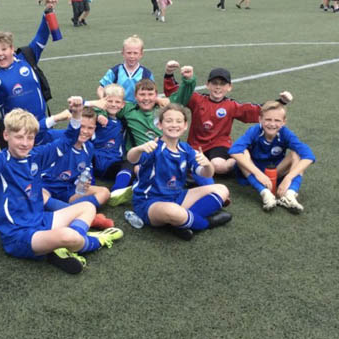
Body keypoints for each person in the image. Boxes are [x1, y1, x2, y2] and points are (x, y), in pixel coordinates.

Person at [0, 98, 123, 274]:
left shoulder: (35, 156)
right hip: (19, 235)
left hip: (41, 220)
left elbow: (68, 139)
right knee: (69, 235)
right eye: (19, 137)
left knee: (87, 207)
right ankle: (96, 241)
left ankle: (62, 246)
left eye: (30, 137)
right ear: (6, 135)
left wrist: (77, 114)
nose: (25, 143)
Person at [88, 65, 196, 206]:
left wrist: (188, 80)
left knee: (196, 162)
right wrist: (101, 114)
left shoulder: (163, 109)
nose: (146, 98)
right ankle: (124, 192)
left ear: (156, 96)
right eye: (142, 95)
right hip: (144, 156)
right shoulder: (128, 110)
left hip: (171, 151)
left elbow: (180, 99)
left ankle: (209, 191)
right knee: (138, 167)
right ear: (135, 97)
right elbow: (107, 106)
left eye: (150, 95)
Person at [164, 65, 293, 179]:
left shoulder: (231, 105)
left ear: (229, 87)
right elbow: (176, 93)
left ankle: (238, 161)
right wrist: (169, 74)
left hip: (219, 145)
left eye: (223, 84)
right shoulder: (197, 100)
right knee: (178, 166)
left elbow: (258, 111)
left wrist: (281, 102)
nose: (218, 87)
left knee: (218, 166)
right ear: (208, 85)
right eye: (214, 83)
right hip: (195, 146)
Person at [128, 104, 232, 241]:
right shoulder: (153, 147)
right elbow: (132, 158)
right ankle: (205, 223)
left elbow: (206, 174)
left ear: (185, 126)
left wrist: (207, 164)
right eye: (169, 121)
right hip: (150, 202)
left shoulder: (185, 149)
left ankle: (180, 223)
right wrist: (139, 149)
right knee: (173, 211)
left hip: (177, 196)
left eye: (178, 121)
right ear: (160, 125)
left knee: (222, 189)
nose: (174, 125)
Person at [0, 0, 58, 146]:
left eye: (4, 49)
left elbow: (41, 36)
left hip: (41, 125)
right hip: (15, 134)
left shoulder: (27, 56)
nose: (1, 54)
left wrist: (46, 12)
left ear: (12, 49)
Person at [229, 101, 315, 213]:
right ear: (260, 119)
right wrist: (258, 173)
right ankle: (265, 194)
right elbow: (233, 151)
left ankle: (290, 195)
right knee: (242, 152)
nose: (272, 124)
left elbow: (309, 156)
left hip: (275, 172)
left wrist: (289, 177)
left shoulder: (286, 133)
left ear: (284, 122)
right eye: (268, 119)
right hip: (253, 173)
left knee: (296, 153)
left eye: (277, 120)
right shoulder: (254, 131)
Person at [41, 106, 114, 229]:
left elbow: (86, 171)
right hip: (47, 187)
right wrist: (56, 118)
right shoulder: (58, 136)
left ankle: (64, 211)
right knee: (39, 196)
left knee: (104, 192)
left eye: (90, 128)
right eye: (81, 126)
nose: (85, 131)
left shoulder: (89, 147)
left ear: (95, 129)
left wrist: (83, 183)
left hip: (69, 190)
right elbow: (37, 132)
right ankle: (91, 218)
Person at [96, 35, 155, 103]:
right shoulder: (115, 71)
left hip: (137, 109)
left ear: (141, 54)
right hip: (117, 107)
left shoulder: (146, 74)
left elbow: (152, 92)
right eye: (128, 53)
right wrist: (103, 100)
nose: (132, 56)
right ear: (123, 53)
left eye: (135, 53)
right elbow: (101, 88)